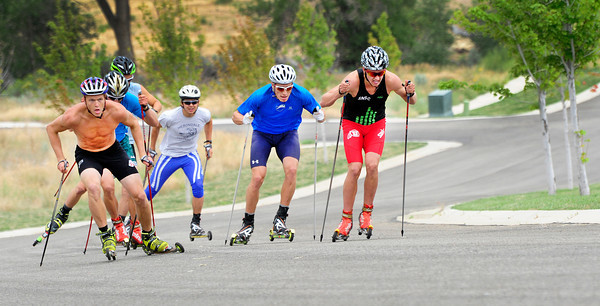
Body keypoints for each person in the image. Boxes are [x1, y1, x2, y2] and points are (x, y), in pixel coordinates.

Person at [45, 76, 167, 259]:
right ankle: (106, 235)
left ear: (105, 98)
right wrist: (60, 159)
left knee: (140, 195)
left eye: (100, 99)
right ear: (84, 100)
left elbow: (134, 124)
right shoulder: (73, 116)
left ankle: (149, 237)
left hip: (113, 152)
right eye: (91, 99)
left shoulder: (115, 110)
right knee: (93, 187)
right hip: (87, 155)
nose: (96, 104)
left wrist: (142, 153)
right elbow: (51, 129)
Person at [320, 46, 416, 240]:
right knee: (355, 168)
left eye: (380, 73)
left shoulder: (390, 79)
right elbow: (323, 101)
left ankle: (366, 213)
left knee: (372, 165)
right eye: (373, 73)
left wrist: (411, 93)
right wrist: (340, 91)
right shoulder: (353, 80)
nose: (377, 78)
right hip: (353, 125)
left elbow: (410, 101)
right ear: (365, 70)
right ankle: (346, 219)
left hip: (375, 126)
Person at [230, 64, 324, 244]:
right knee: (258, 178)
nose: (285, 92)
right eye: (280, 88)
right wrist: (243, 120)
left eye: (289, 88)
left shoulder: (301, 93)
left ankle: (280, 219)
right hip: (262, 135)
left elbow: (318, 111)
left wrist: (320, 115)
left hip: (287, 135)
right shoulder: (260, 96)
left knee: (291, 170)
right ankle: (248, 222)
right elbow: (235, 115)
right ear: (272, 85)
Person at [145, 85, 213, 239]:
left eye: (194, 102)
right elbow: (155, 127)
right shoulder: (170, 116)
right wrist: (152, 150)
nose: (191, 106)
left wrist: (208, 142)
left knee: (198, 185)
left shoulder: (204, 114)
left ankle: (195, 224)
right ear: (181, 103)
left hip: (189, 155)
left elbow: (209, 122)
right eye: (187, 102)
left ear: (198, 102)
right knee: (151, 191)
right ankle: (133, 222)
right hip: (169, 156)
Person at [110, 55, 162, 241]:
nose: (126, 80)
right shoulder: (107, 88)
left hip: (133, 137)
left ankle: (131, 225)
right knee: (111, 186)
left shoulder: (137, 89)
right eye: (122, 77)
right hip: (117, 138)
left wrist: (147, 109)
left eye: (129, 77)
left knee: (130, 188)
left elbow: (157, 105)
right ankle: (120, 225)